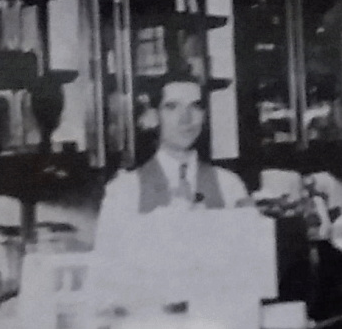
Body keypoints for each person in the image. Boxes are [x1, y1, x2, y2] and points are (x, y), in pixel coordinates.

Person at [92, 71, 252, 256]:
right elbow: (109, 263)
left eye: (195, 106)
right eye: (172, 107)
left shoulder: (230, 186)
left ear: (205, 115)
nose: (186, 119)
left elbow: (248, 259)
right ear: (154, 116)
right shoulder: (124, 190)